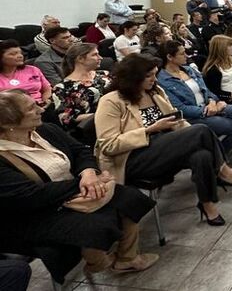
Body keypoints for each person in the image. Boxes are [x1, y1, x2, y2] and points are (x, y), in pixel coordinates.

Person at [0, 91, 159, 274]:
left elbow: (80, 151)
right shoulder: (4, 157)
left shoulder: (45, 130)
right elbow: (30, 195)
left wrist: (89, 173)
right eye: (31, 108)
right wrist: (83, 184)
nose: (40, 109)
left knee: (129, 196)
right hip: (39, 211)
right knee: (96, 225)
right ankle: (98, 263)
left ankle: (127, 258)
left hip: (76, 191)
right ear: (8, 123)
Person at [95, 53, 232, 226]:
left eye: (155, 74)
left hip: (165, 147)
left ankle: (208, 205)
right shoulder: (111, 101)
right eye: (148, 76)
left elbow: (176, 121)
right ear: (133, 77)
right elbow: (108, 145)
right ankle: (224, 171)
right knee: (200, 130)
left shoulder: (155, 92)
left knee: (201, 155)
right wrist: (148, 130)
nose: (154, 79)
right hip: (134, 158)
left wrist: (189, 135)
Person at [157, 41, 232, 166]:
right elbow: (180, 108)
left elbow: (207, 90)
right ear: (170, 57)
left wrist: (214, 102)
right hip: (194, 116)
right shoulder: (163, 81)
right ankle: (228, 157)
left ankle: (229, 156)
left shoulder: (189, 70)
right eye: (182, 54)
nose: (187, 56)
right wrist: (207, 110)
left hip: (210, 105)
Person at [52, 43, 110, 135]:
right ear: (80, 59)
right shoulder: (63, 88)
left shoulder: (104, 74)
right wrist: (103, 114)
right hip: (93, 129)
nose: (100, 58)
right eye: (95, 55)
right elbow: (66, 119)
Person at [0, 40, 52, 107]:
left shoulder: (33, 69)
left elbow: (47, 89)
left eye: (20, 53)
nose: (20, 56)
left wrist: (46, 101)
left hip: (39, 106)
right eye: (13, 54)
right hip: (11, 111)